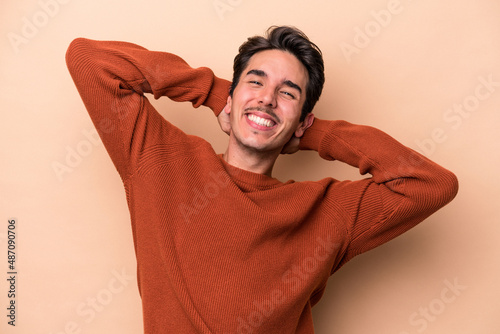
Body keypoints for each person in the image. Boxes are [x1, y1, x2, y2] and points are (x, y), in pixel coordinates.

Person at [66, 26, 458, 334]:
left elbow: (430, 184)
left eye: (287, 93)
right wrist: (216, 94)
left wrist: (309, 133)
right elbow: (88, 59)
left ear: (304, 118)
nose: (268, 99)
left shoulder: (326, 213)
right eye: (256, 81)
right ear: (232, 96)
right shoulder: (159, 161)